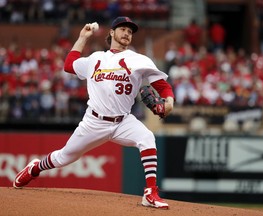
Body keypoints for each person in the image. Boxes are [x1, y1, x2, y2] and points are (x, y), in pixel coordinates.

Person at [13, 16, 174, 209]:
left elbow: (162, 86)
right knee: (64, 157)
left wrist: (170, 101)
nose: (127, 34)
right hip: (94, 122)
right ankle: (35, 167)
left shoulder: (139, 60)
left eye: (130, 31)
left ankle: (150, 193)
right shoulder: (96, 58)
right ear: (112, 33)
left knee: (147, 137)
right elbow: (68, 65)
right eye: (123, 29)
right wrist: (82, 38)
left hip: (123, 121)